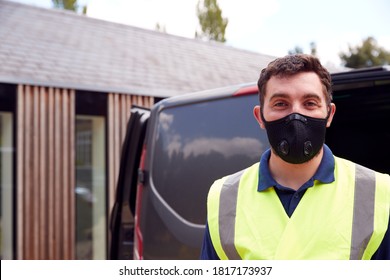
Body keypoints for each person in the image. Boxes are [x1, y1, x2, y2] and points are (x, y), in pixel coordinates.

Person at [200, 54, 390, 260]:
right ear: (260, 117)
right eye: (281, 104)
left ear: (330, 114)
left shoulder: (377, 192)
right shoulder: (225, 197)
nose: (295, 115)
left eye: (310, 103)